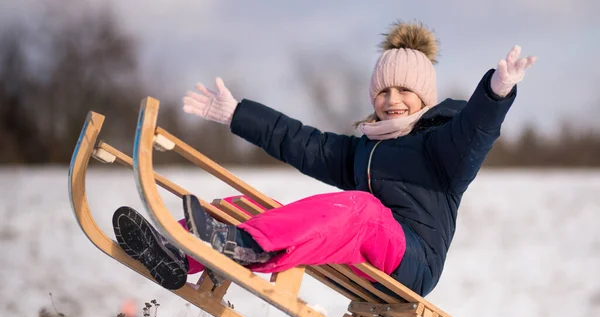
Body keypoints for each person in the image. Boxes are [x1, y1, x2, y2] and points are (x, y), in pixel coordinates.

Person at [113, 21, 536, 296]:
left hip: (413, 263)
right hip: (368, 256)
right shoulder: (363, 149)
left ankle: (243, 246)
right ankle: (171, 249)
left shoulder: (442, 146)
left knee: (363, 208)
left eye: (404, 91)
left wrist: (495, 93)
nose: (392, 101)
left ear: (423, 97)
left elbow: (474, 133)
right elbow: (301, 141)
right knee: (250, 207)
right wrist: (237, 114)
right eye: (384, 92)